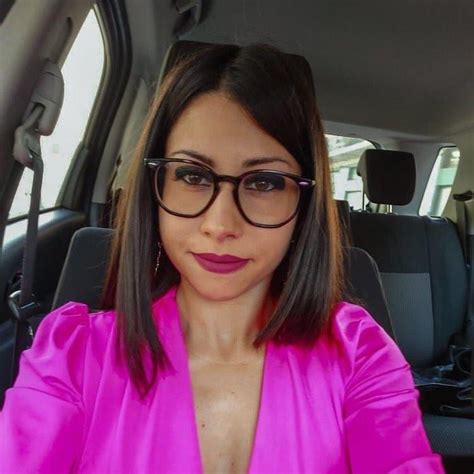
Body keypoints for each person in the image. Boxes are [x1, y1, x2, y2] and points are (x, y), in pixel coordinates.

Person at [0, 43, 445, 473]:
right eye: (192, 175)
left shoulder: (359, 355)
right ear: (155, 187)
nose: (220, 225)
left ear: (304, 203)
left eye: (264, 182)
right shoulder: (71, 357)